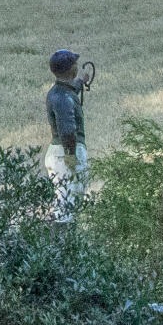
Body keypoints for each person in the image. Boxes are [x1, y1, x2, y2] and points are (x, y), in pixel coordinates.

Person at [45, 49, 96, 207]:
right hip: (65, 154)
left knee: (68, 202)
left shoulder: (58, 91)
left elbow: (69, 91)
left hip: (60, 152)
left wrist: (80, 81)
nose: (77, 66)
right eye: (75, 64)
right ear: (70, 69)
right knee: (67, 205)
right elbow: (67, 131)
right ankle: (64, 232)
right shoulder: (63, 98)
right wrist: (71, 156)